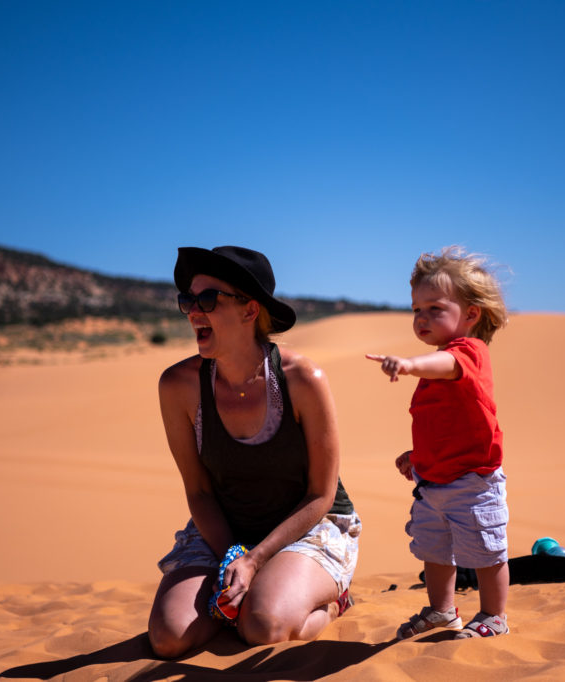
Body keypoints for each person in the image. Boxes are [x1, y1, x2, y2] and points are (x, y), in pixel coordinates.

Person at [148, 246, 360, 658]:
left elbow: (321, 494)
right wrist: (234, 555)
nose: (194, 311)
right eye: (188, 300)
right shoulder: (178, 386)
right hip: (226, 528)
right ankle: (250, 595)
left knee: (263, 626)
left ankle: (335, 602)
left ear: (249, 311)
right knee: (169, 638)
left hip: (307, 524)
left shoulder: (302, 379)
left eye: (208, 299)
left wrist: (255, 559)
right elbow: (199, 491)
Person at [366, 246, 510, 639]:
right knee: (434, 550)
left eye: (434, 308)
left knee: (485, 550)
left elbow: (448, 366)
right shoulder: (440, 362)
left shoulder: (468, 353)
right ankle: (441, 611)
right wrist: (417, 456)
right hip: (434, 481)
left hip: (472, 481)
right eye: (416, 309)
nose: (421, 317)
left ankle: (495, 615)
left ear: (471, 314)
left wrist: (409, 364)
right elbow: (444, 425)